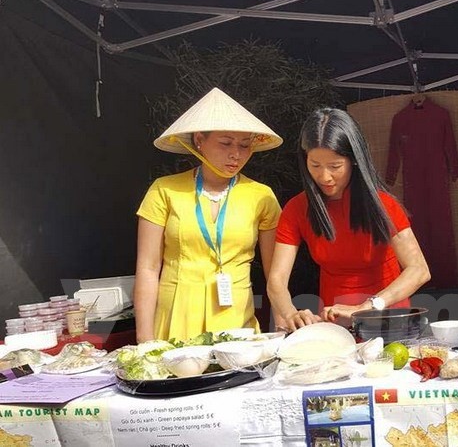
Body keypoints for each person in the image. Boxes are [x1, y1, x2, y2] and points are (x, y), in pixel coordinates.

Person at [134, 87, 283, 342]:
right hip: (175, 317)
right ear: (199, 140)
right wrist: (144, 339)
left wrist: (281, 318)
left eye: (245, 145)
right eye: (225, 143)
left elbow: (275, 273)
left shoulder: (262, 196)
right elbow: (148, 268)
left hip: (236, 317)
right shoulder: (164, 189)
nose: (236, 154)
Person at [267, 108, 431, 331]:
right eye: (315, 165)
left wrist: (369, 306)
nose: (324, 176)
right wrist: (290, 314)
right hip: (336, 323)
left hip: (389, 319)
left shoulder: (383, 205)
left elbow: (419, 269)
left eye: (335, 166)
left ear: (354, 159)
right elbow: (276, 279)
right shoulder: (296, 208)